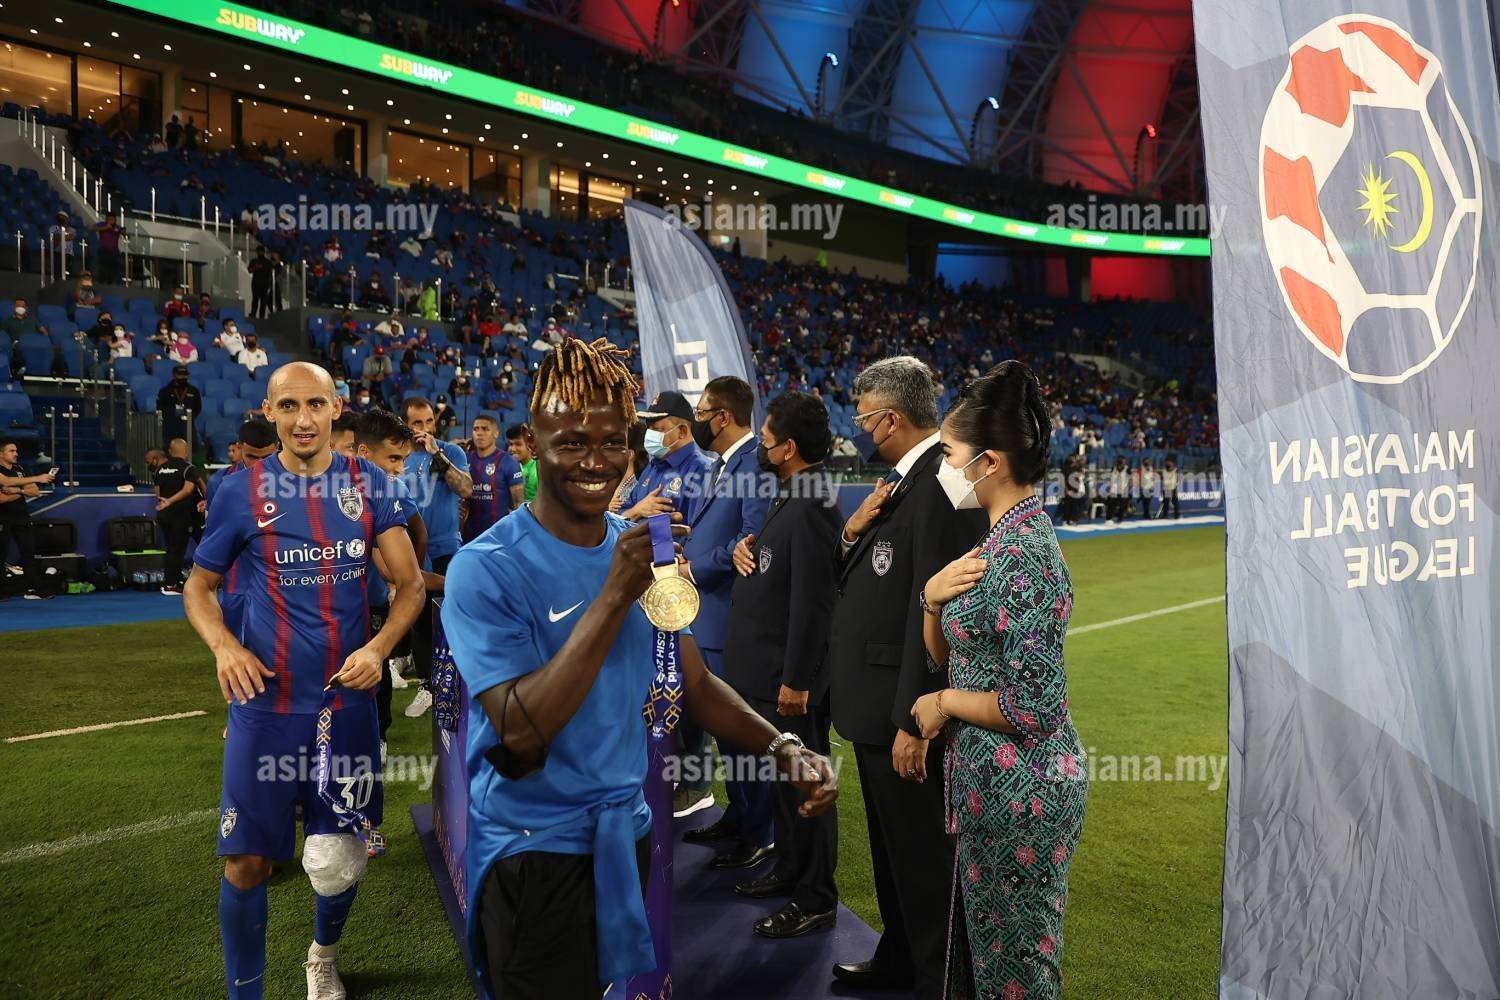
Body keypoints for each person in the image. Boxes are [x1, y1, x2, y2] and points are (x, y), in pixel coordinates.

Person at [439, 337, 838, 998]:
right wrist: (614, 594)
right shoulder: (486, 567)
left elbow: (696, 683)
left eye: (613, 442)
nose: (596, 461)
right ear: (534, 443)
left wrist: (782, 747)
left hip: (626, 836)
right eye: (572, 442)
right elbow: (520, 730)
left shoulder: (642, 550)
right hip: (532, 849)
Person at [182, 362, 424, 1000]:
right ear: (269, 412)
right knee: (246, 861)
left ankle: (323, 956)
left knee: (336, 860)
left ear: (337, 407)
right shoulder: (239, 490)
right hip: (264, 705)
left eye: (315, 404)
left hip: (346, 706)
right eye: (288, 406)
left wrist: (379, 648)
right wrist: (224, 646)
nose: (303, 419)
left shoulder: (369, 482)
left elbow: (409, 585)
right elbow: (199, 587)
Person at [909, 361, 1088, 1000]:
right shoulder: (995, 542)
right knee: (985, 965)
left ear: (989, 463)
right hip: (990, 790)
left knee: (1016, 976)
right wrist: (931, 599)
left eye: (949, 454)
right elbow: (948, 653)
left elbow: (1033, 706)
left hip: (1023, 794)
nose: (943, 467)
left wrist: (942, 703)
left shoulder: (1025, 555)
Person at [827, 356, 986, 998]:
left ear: (891, 419)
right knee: (893, 856)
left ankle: (936, 982)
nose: (860, 429)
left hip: (904, 714)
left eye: (865, 418)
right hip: (875, 707)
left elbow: (938, 611)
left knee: (923, 863)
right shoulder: (902, 482)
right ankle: (898, 959)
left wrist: (914, 721)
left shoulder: (942, 485)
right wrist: (851, 532)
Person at [722, 390, 842, 937]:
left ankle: (815, 897)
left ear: (788, 448)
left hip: (788, 683)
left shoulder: (814, 502)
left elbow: (815, 603)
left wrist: (797, 679)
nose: (760, 448)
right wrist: (746, 548)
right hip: (768, 676)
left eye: (766, 440)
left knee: (806, 786)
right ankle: (790, 870)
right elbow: (782, 568)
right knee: (783, 784)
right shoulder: (794, 492)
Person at [677, 377, 773, 829]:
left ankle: (759, 831)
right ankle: (739, 819)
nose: (697, 420)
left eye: (701, 412)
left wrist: (695, 568)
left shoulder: (754, 465)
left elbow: (750, 540)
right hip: (705, 615)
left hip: (727, 615)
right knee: (724, 733)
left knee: (739, 729)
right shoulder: (720, 464)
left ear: (722, 417)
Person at [400, 395, 472, 717]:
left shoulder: (450, 452)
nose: (424, 428)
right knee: (417, 619)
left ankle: (454, 683)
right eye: (417, 423)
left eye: (429, 421)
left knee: (449, 618)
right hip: (409, 548)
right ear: (405, 424)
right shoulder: (399, 455)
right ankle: (428, 685)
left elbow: (465, 488)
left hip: (445, 547)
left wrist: (437, 454)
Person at [619, 390, 716, 525]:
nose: (649, 434)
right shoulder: (652, 467)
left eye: (657, 429)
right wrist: (636, 511)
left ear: (682, 431)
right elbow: (621, 516)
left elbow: (700, 530)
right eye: (648, 428)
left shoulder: (702, 471)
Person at [0, 438, 56, 600]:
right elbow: (2, 495)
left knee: (29, 551)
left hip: (21, 516)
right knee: (1, 553)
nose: (16, 454)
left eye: (16, 451)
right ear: (1, 454)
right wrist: (35, 479)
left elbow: (35, 492)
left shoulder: (19, 469)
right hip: (2, 517)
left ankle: (33, 588)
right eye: (12, 451)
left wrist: (17, 490)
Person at [462, 415, 524, 543]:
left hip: (499, 537)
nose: (479, 433)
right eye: (476, 429)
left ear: (496, 434)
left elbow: (518, 504)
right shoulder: (465, 460)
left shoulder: (508, 462)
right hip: (469, 538)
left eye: (485, 429)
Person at [154, 438, 202, 595]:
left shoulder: (160, 469)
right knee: (177, 550)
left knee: (171, 548)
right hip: (181, 515)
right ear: (186, 452)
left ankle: (175, 580)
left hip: (164, 515)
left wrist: (165, 502)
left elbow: (158, 493)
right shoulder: (188, 468)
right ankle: (170, 584)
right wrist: (170, 502)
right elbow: (188, 490)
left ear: (170, 451)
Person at [157, 366, 203, 445]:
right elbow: (160, 408)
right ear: (174, 376)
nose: (183, 377)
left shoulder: (194, 391)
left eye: (185, 375)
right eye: (180, 375)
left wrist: (189, 416)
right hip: (170, 426)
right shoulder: (165, 391)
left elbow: (198, 408)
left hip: (188, 425)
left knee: (191, 447)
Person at [506, 423, 538, 502]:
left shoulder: (539, 469)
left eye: (518, 444)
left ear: (530, 445)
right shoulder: (506, 466)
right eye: (510, 444)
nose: (513, 449)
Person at [248, 247, 274, 319]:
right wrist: (255, 267)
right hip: (256, 283)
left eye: (261, 251)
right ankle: (253, 314)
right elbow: (249, 270)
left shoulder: (268, 262)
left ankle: (261, 316)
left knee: (263, 301)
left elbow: (270, 274)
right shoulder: (254, 261)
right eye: (259, 251)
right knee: (255, 299)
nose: (260, 253)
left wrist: (270, 285)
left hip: (264, 284)